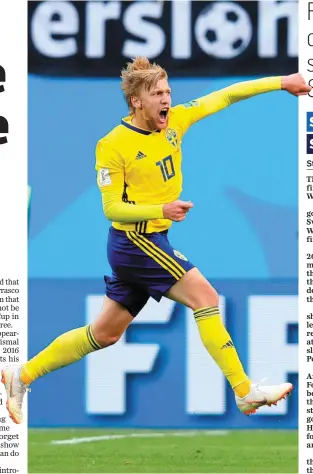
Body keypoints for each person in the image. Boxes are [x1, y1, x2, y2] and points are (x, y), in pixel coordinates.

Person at [2, 58, 310, 424]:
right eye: (157, 93)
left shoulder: (176, 121)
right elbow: (112, 209)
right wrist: (160, 207)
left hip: (148, 239)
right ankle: (244, 392)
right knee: (206, 298)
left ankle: (21, 376)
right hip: (134, 243)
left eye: (167, 91)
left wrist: (282, 82)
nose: (166, 99)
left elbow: (226, 96)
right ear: (136, 101)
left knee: (104, 334)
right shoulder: (112, 145)